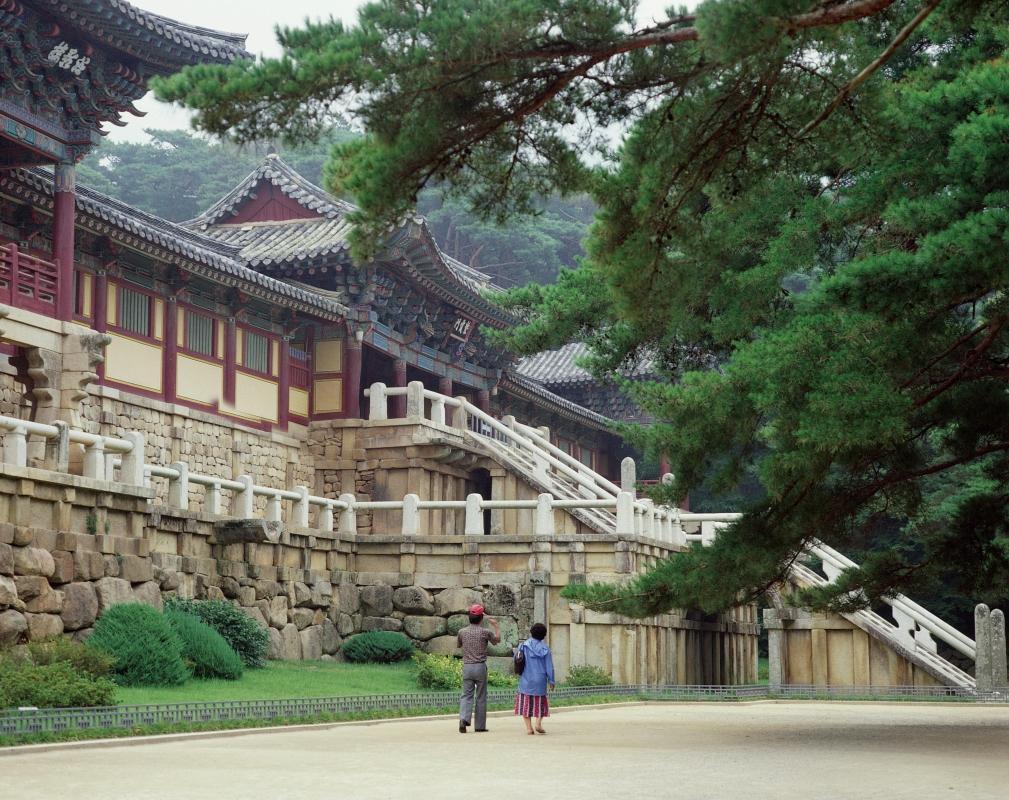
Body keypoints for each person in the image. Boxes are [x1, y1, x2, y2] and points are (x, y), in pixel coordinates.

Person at [457, 603, 500, 733]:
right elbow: (497, 640)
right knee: (481, 696)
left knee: (466, 695)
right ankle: (480, 726)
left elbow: (459, 645)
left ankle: (464, 719)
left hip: (467, 667)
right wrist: (496, 626)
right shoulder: (485, 632)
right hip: (480, 667)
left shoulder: (462, 632)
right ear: (481, 618)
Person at [514, 622, 555, 735]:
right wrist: (551, 681)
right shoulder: (545, 648)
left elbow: (516, 659)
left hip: (526, 679)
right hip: (540, 680)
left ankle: (529, 728)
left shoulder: (523, 645)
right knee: (541, 703)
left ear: (531, 632)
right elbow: (549, 666)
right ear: (544, 635)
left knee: (525, 703)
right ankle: (538, 723)